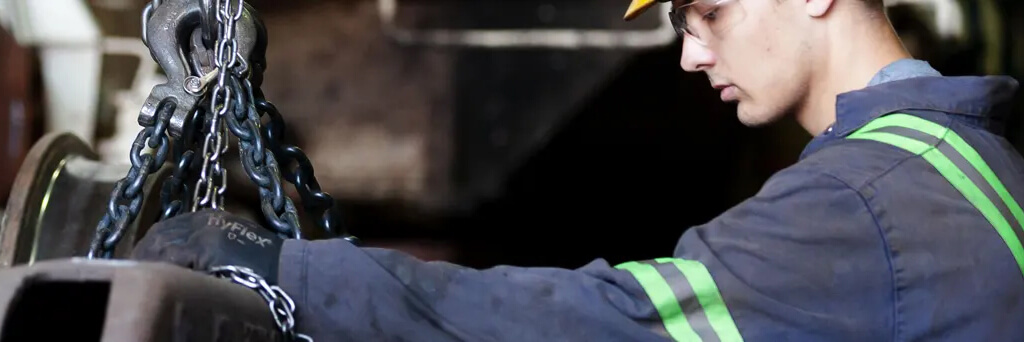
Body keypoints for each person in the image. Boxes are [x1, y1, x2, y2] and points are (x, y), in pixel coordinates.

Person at [131, 0, 1024, 340]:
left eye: (707, 12)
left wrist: (294, 276)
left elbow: (608, 320)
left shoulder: (860, 208)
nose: (688, 55)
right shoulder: (976, 160)